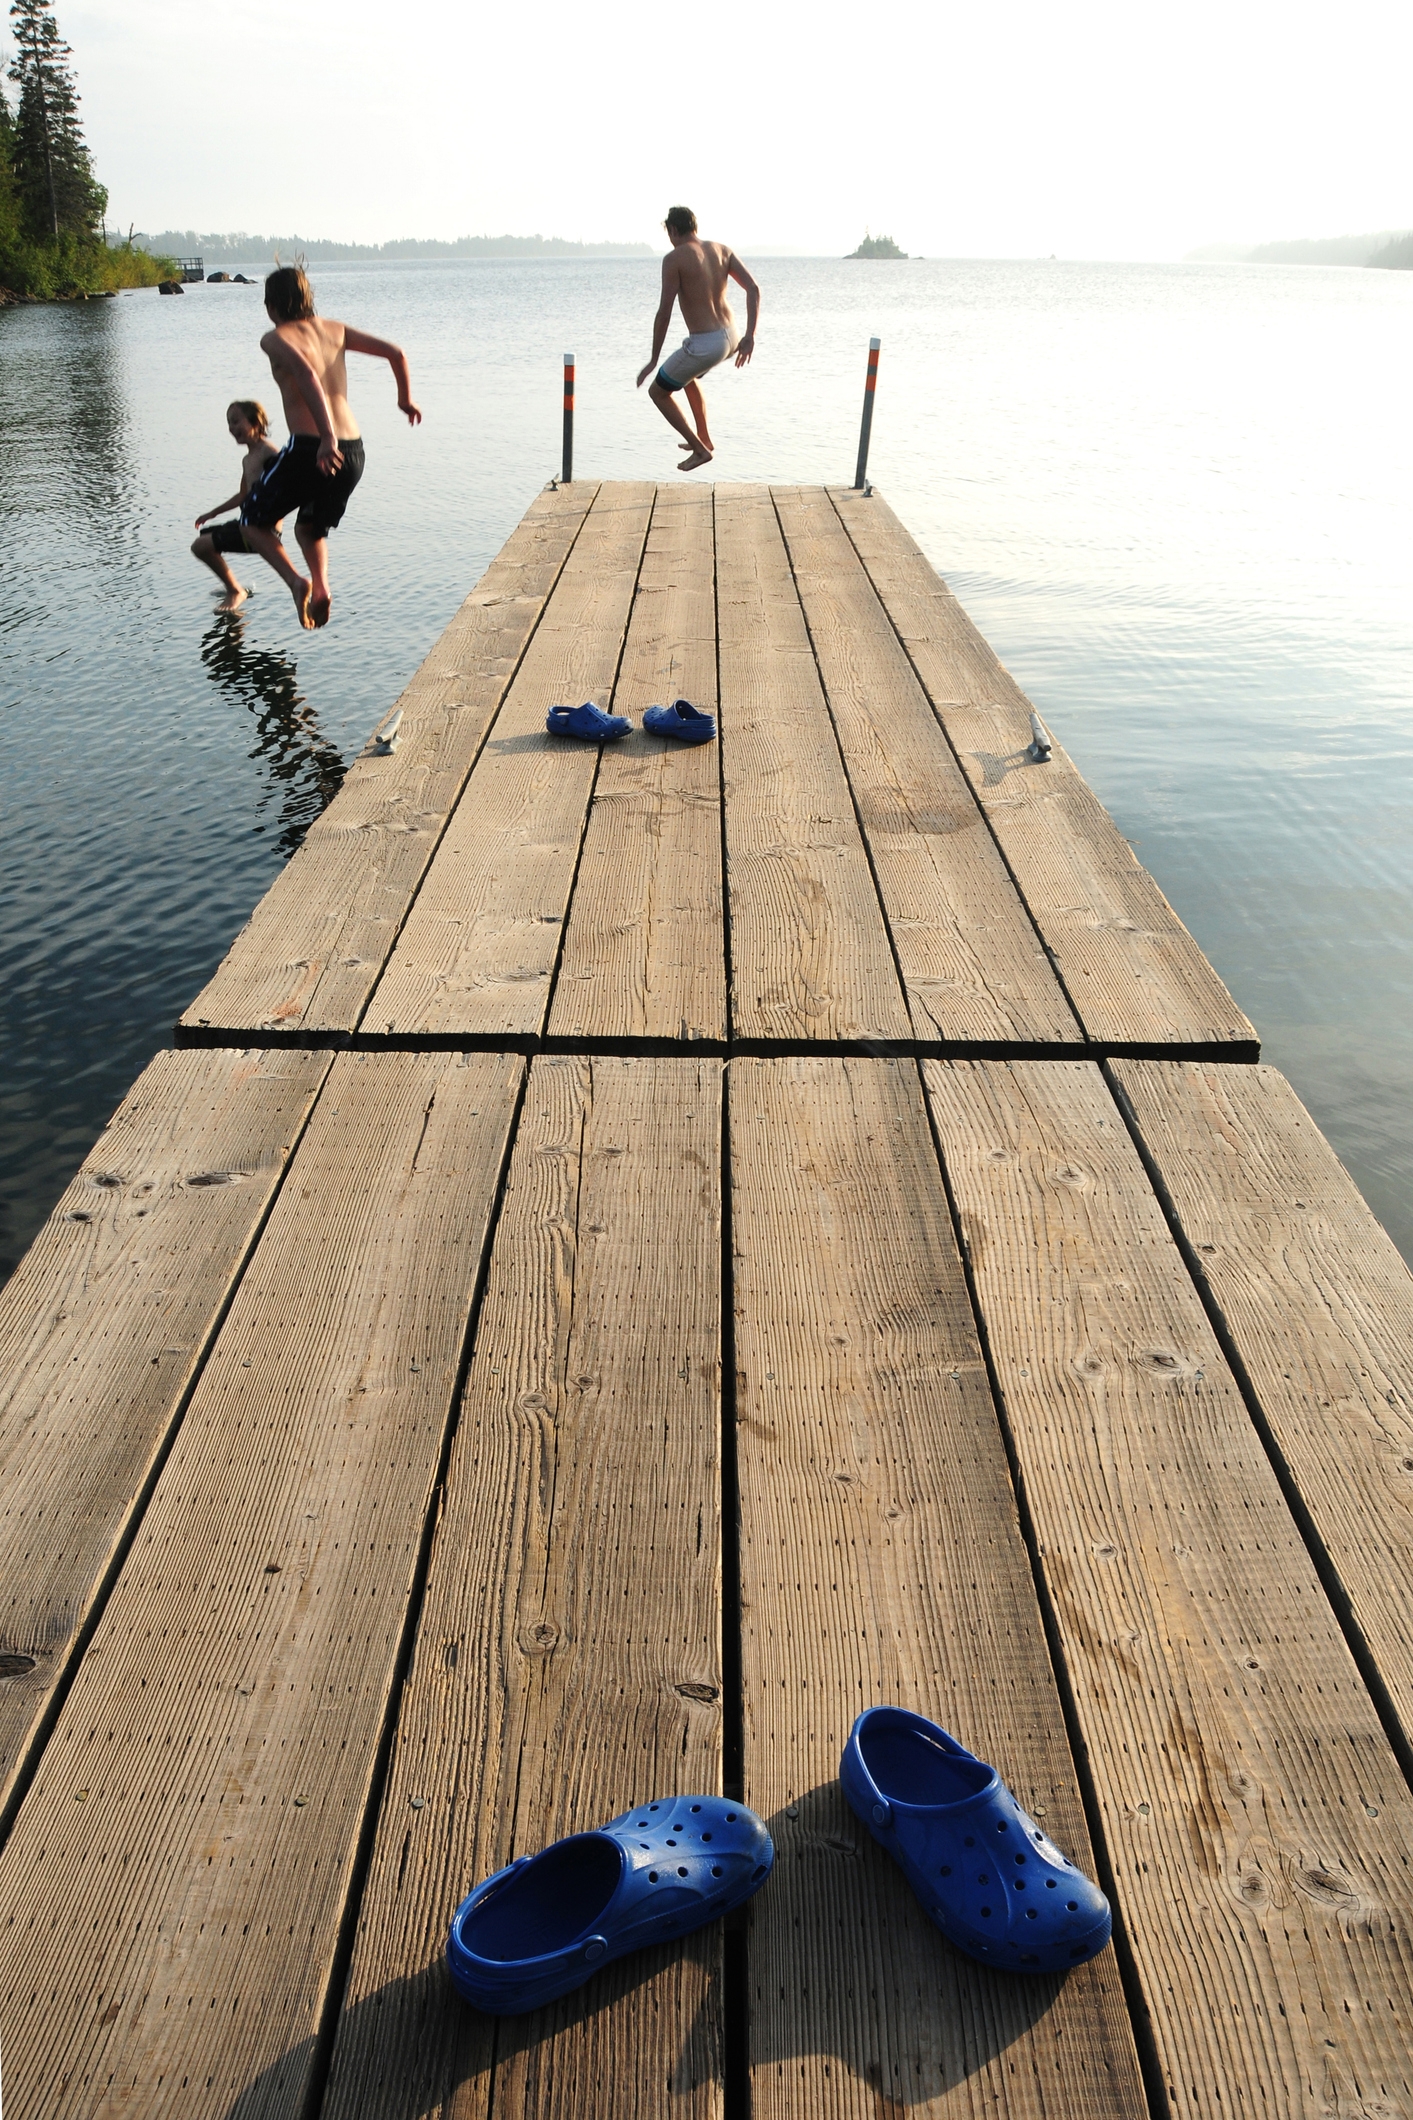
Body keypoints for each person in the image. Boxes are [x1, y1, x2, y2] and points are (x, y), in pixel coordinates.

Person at [240, 263, 422, 629]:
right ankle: (321, 587)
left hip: (314, 447)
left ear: (271, 306)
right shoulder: (335, 330)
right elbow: (396, 353)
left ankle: (297, 581)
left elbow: (307, 374)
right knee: (308, 528)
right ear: (308, 299)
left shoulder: (274, 338)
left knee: (250, 521)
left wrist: (325, 437)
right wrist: (405, 399)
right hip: (354, 453)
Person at [636, 207, 759, 472]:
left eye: (668, 233)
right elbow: (753, 288)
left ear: (673, 230)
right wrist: (750, 336)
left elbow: (664, 313)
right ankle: (704, 437)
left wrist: (653, 360)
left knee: (658, 391)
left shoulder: (674, 259)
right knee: (686, 376)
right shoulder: (721, 250)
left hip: (706, 343)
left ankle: (700, 450)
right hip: (732, 336)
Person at [191, 400, 281, 611]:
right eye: (229, 423)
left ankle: (235, 591)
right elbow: (243, 494)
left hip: (262, 530)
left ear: (256, 423)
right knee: (203, 538)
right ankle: (234, 588)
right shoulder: (248, 459)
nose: (232, 428)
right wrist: (213, 513)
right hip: (247, 523)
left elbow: (285, 490)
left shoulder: (269, 453)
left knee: (200, 546)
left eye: (236, 421)